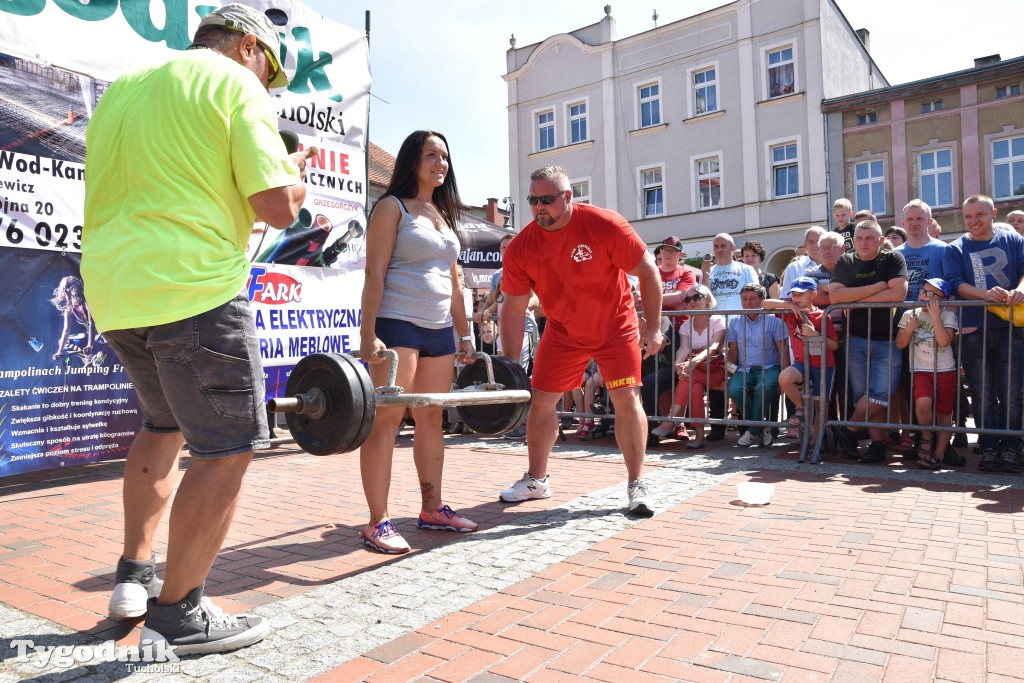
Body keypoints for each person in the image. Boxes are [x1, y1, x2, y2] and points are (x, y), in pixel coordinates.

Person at [82, 4, 312, 654]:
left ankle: (134, 574)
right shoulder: (236, 84)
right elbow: (274, 204)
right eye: (270, 70)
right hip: (192, 284)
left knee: (163, 425)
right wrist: (294, 182)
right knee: (227, 444)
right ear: (249, 47)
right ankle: (179, 611)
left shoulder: (127, 85)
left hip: (116, 288)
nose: (268, 85)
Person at [497, 165, 663, 516]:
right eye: (532, 200)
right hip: (563, 332)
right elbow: (512, 309)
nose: (539, 206)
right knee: (541, 401)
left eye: (546, 199)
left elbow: (648, 269)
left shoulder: (604, 224)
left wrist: (653, 328)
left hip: (615, 327)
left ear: (568, 197)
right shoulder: (522, 247)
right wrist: (508, 364)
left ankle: (636, 484)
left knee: (626, 399)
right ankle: (536, 480)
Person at [359, 130, 479, 554]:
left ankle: (432, 508)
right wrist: (367, 332)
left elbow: (455, 281)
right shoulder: (391, 207)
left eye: (444, 157)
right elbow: (374, 272)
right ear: (412, 160)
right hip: (397, 325)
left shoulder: (443, 216)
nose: (440, 164)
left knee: (431, 420)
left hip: (438, 331)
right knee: (387, 422)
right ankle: (378, 522)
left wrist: (464, 334)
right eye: (431, 155)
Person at [944, 194, 1024, 473]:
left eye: (979, 214)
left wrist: (1021, 289)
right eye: (968, 216)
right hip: (973, 327)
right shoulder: (955, 248)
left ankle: (1012, 448)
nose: (973, 221)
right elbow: (956, 283)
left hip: (1010, 327)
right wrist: (984, 296)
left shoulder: (1013, 239)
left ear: (993, 213)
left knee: (1011, 390)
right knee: (982, 392)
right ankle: (989, 447)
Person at [829, 220, 909, 463]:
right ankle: (876, 445)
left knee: (881, 393)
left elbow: (898, 293)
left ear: (880, 240)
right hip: (856, 338)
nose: (864, 242)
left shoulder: (893, 259)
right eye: (860, 238)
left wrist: (853, 299)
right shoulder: (846, 261)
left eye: (869, 238)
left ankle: (849, 428)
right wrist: (876, 287)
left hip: (887, 339)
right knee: (863, 394)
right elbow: (835, 296)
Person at [649, 284, 725, 448]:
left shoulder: (718, 320)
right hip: (695, 371)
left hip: (717, 370)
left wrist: (692, 363)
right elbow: (683, 349)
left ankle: (671, 420)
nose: (692, 301)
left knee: (688, 376)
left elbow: (714, 348)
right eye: (688, 299)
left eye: (696, 297)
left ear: (707, 299)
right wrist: (678, 366)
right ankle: (699, 436)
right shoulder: (686, 325)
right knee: (694, 387)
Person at [763, 277, 838, 442]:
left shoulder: (822, 315)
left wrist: (816, 335)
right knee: (784, 377)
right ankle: (801, 408)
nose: (797, 298)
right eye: (794, 294)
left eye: (801, 295)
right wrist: (789, 304)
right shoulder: (790, 313)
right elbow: (765, 303)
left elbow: (834, 345)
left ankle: (815, 443)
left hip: (824, 365)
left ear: (813, 295)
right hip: (802, 363)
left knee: (822, 407)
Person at [895, 278, 959, 469]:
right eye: (923, 291)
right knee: (922, 403)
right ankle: (927, 436)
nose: (924, 296)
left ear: (942, 299)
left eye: (931, 294)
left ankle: (938, 454)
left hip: (945, 370)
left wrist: (935, 316)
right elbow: (900, 343)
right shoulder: (909, 314)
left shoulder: (948, 316)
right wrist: (909, 329)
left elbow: (944, 341)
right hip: (920, 369)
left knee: (944, 414)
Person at [727, 284, 787, 448]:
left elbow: (783, 350)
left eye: (753, 298)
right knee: (734, 389)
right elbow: (732, 351)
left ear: (762, 300)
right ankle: (762, 426)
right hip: (743, 367)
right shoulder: (734, 321)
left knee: (765, 388)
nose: (748, 303)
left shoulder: (774, 320)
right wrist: (730, 374)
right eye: (744, 299)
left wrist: (785, 375)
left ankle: (752, 430)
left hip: (770, 366)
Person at [702, 233, 759, 311]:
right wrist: (705, 276)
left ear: (733, 248)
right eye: (716, 246)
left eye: (723, 246)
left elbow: (756, 297)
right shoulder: (706, 272)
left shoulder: (747, 269)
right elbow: (704, 299)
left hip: (741, 321)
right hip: (715, 321)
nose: (719, 250)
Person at [50, 275, 95, 360]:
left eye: (68, 287)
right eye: (64, 288)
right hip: (90, 336)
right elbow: (66, 330)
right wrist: (60, 351)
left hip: (100, 333)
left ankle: (95, 355)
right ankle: (87, 357)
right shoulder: (69, 308)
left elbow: (92, 324)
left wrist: (90, 345)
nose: (66, 291)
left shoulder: (86, 301)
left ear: (75, 288)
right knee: (63, 342)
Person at [779, 227, 825, 298]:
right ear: (805, 244)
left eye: (818, 241)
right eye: (811, 241)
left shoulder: (835, 265)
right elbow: (786, 297)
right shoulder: (794, 268)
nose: (814, 245)